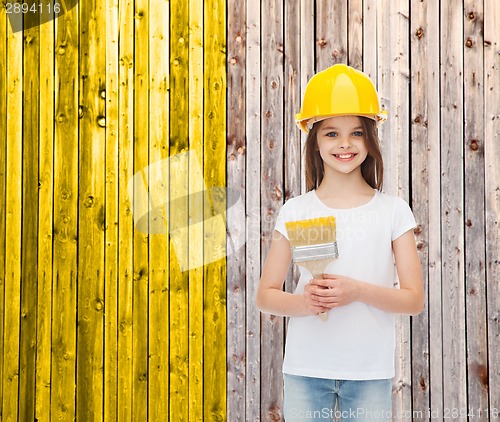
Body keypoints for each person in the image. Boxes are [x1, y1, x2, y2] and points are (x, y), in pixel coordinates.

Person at [256, 64, 424, 421]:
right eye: (331, 133)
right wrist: (307, 302)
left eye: (357, 133)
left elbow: (413, 300)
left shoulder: (393, 212)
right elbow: (265, 295)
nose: (344, 144)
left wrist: (356, 291)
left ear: (370, 140)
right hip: (305, 369)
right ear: (314, 141)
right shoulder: (297, 211)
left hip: (369, 372)